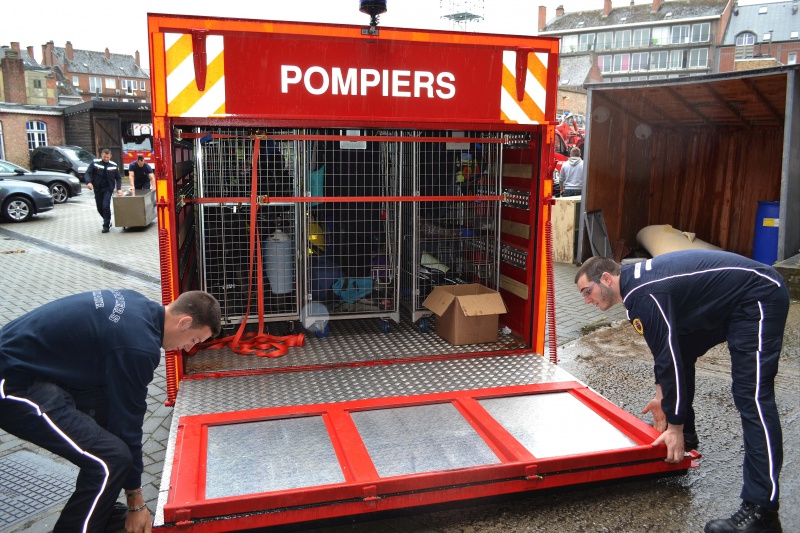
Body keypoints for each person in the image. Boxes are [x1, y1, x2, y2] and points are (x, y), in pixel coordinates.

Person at [574, 250, 789, 533]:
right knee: (684, 348)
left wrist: (672, 424)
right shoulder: (635, 292)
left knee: (753, 399)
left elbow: (667, 356)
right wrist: (662, 396)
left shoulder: (643, 294)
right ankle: (686, 438)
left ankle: (762, 512)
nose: (587, 300)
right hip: (730, 303)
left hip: (758, 296)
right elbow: (668, 346)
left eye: (587, 292)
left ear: (605, 278)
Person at [0, 290, 221, 533]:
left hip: (37, 369)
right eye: (194, 340)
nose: (188, 349)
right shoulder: (139, 347)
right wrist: (136, 501)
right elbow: (129, 423)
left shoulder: (138, 304)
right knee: (111, 459)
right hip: (12, 383)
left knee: (106, 426)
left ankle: (100, 512)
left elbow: (118, 414)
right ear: (184, 322)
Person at [86, 149, 123, 233]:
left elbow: (118, 178)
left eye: (107, 157)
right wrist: (88, 182)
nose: (106, 158)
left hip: (108, 189)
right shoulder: (95, 163)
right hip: (98, 188)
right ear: (101, 155)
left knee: (105, 206)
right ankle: (108, 219)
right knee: (99, 207)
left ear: (110, 156)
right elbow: (88, 173)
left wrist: (119, 188)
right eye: (104, 157)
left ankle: (106, 225)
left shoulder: (113, 165)